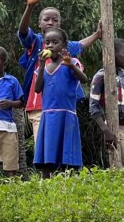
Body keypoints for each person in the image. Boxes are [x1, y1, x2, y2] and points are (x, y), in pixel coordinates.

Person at [17, 0, 101, 145]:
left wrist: (97, 35)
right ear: (39, 23)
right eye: (46, 19)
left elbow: (80, 44)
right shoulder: (35, 41)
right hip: (39, 102)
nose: (50, 22)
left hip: (62, 103)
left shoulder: (64, 46)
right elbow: (23, 31)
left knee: (62, 143)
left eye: (55, 20)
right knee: (44, 141)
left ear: (60, 24)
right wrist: (30, 6)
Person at [33, 29, 89, 174]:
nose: (50, 45)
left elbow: (84, 79)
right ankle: (46, 180)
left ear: (64, 46)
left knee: (66, 153)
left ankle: (67, 178)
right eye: (47, 43)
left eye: (55, 42)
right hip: (48, 115)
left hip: (66, 114)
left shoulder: (72, 63)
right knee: (48, 153)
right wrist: (40, 65)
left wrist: (70, 65)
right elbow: (38, 89)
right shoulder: (43, 67)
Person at [89, 39, 124, 170]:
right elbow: (93, 107)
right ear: (112, 53)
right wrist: (106, 130)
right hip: (116, 132)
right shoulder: (101, 76)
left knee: (120, 171)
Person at [0, 46, 24, 176]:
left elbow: (21, 102)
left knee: (10, 161)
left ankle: (11, 186)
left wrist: (10, 103)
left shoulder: (11, 81)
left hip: (7, 128)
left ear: (4, 64)